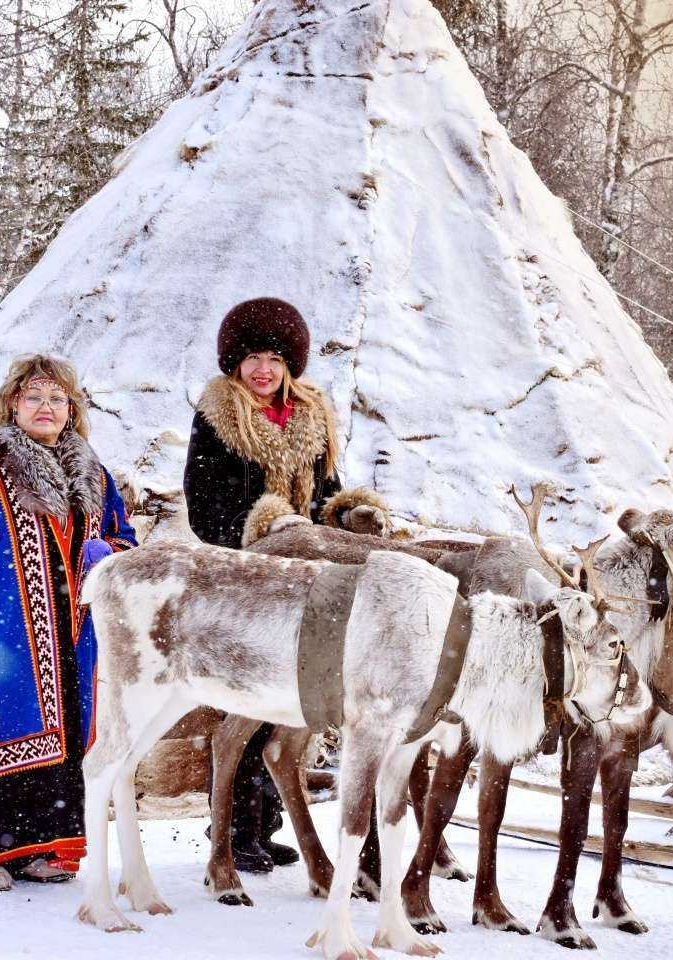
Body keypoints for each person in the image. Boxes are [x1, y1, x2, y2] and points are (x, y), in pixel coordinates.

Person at [183, 297, 381, 873]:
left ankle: (265, 823)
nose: (263, 370)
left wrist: (345, 515)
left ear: (288, 364)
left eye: (273, 358)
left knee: (287, 694)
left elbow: (325, 492)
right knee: (246, 696)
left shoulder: (311, 418)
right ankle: (234, 828)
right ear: (235, 365)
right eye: (252, 359)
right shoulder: (217, 417)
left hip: (306, 576)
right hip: (246, 572)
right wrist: (266, 528)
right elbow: (206, 504)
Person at [0, 354, 137, 893]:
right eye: (34, 399)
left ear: (72, 409)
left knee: (65, 731)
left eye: (57, 400)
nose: (46, 408)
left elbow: (123, 537)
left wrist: (105, 552)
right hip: (0, 627)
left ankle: (44, 847)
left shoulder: (91, 472)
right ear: (12, 406)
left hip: (72, 631)